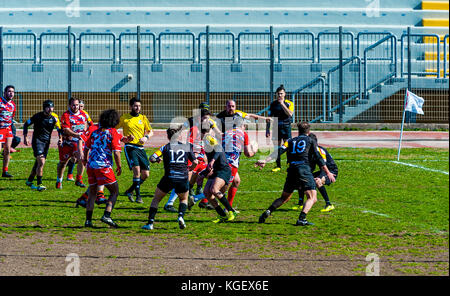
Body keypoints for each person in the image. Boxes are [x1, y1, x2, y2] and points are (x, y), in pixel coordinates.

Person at [255, 122, 336, 226]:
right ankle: (302, 219)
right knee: (312, 198)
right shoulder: (310, 140)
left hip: (292, 170)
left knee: (284, 198)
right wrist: (328, 172)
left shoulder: (290, 141)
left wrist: (265, 160)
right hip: (303, 169)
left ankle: (268, 211)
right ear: (309, 131)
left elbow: (279, 151)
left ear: (298, 131)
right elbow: (318, 158)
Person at [83, 109, 131, 228]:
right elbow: (116, 152)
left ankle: (88, 221)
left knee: (92, 192)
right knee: (115, 191)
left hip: (91, 165)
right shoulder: (113, 132)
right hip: (103, 166)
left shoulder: (95, 131)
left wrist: (85, 159)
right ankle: (107, 216)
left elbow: (86, 147)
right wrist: (119, 166)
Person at [142, 126, 198, 230]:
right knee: (184, 199)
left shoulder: (165, 147)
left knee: (156, 200)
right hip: (182, 177)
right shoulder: (187, 146)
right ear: (179, 136)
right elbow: (195, 162)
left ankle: (150, 224)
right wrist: (191, 168)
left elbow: (152, 158)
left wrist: (157, 159)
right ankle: (181, 216)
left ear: (168, 137)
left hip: (169, 177)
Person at [117, 97, 153, 204]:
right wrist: (124, 138)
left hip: (141, 148)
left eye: (139, 106)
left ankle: (130, 190)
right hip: (130, 147)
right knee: (137, 171)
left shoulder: (143, 118)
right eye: (136, 106)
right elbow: (113, 130)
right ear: (131, 106)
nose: (138, 108)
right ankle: (138, 196)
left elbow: (150, 131)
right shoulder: (124, 118)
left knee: (146, 174)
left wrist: (146, 137)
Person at [200, 125, 237, 223]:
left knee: (214, 189)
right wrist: (204, 172)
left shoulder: (208, 138)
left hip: (223, 169)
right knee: (207, 192)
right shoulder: (204, 141)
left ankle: (231, 211)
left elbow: (219, 148)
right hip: (216, 170)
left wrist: (212, 161)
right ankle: (223, 215)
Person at [23, 100, 62, 191]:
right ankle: (39, 184)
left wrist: (60, 138)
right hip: (37, 141)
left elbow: (59, 129)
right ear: (44, 108)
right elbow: (26, 124)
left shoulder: (54, 118)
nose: (50, 109)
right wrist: (25, 137)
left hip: (46, 143)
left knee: (38, 163)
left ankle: (29, 181)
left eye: (51, 107)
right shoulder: (37, 116)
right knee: (41, 162)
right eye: (48, 107)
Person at [294, 133, 338, 212]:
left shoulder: (319, 150)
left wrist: (320, 176)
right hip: (324, 170)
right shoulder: (310, 151)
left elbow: (323, 165)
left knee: (318, 181)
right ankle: (300, 204)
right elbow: (312, 166)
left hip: (331, 171)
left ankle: (329, 204)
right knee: (301, 180)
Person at [222, 115, 257, 208]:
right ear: (242, 125)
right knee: (220, 191)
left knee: (236, 181)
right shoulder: (243, 134)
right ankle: (200, 199)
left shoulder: (226, 132)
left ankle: (228, 206)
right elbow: (248, 154)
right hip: (230, 164)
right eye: (245, 125)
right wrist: (255, 151)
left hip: (221, 160)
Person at [56, 97, 90, 189]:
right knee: (63, 163)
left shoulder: (83, 114)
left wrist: (84, 136)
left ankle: (79, 179)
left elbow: (86, 126)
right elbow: (66, 129)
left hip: (78, 142)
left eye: (77, 105)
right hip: (67, 143)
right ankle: (59, 180)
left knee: (82, 159)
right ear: (69, 105)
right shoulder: (66, 115)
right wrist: (76, 135)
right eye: (73, 105)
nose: (76, 107)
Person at [266, 85, 294, 172]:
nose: (280, 95)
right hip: (276, 128)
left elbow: (290, 114)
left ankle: (290, 165)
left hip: (286, 127)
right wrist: (267, 129)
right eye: (278, 94)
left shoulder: (289, 103)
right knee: (276, 147)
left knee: (288, 146)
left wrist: (282, 104)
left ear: (285, 94)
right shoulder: (273, 104)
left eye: (281, 94)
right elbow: (269, 118)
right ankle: (278, 166)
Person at [66, 99, 93, 182]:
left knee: (81, 157)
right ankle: (70, 174)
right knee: (75, 157)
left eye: (81, 106)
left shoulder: (85, 114)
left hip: (82, 138)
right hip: (73, 138)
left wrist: (88, 132)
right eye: (78, 106)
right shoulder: (69, 115)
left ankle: (77, 176)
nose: (79, 108)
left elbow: (91, 124)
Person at [0, 85, 16, 178]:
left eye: (12, 92)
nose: (11, 93)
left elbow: (11, 116)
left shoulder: (13, 104)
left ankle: (5, 171)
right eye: (9, 91)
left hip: (8, 129)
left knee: (7, 150)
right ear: (5, 92)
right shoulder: (0, 102)